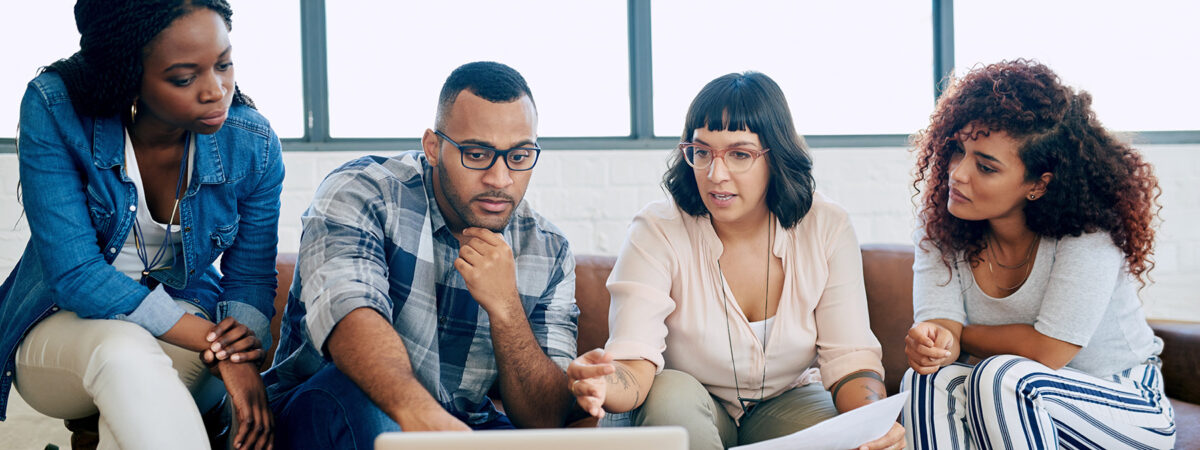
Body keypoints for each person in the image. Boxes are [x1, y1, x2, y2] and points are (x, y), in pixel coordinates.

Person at [566, 72, 905, 450]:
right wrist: (602, 382)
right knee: (669, 395)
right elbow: (635, 363)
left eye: (740, 154)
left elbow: (851, 358)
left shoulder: (827, 225)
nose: (715, 174)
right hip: (687, 402)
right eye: (702, 152)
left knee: (844, 432)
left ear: (775, 157)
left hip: (785, 398)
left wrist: (872, 422)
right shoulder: (657, 229)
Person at [0, 1, 284, 449]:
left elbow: (249, 277)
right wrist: (220, 345)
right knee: (124, 352)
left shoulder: (253, 144)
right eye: (184, 78)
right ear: (129, 73)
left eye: (225, 64)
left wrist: (242, 348)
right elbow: (76, 276)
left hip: (187, 326)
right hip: (62, 329)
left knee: (136, 404)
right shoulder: (55, 108)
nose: (216, 90)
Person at [265, 61, 579, 449]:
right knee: (353, 398)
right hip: (333, 407)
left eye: (518, 156)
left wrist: (506, 308)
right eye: (477, 154)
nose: (500, 180)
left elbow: (545, 418)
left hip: (465, 424)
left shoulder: (549, 250)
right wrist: (423, 416)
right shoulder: (364, 192)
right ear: (433, 147)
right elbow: (350, 313)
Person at [902, 59, 1176, 449]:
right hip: (1010, 410)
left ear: (1038, 184)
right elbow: (941, 323)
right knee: (927, 377)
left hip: (1124, 406)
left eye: (985, 166)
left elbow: (1050, 350)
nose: (958, 174)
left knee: (1001, 376)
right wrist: (935, 340)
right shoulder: (940, 225)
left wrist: (960, 336)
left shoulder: (1088, 233)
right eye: (957, 151)